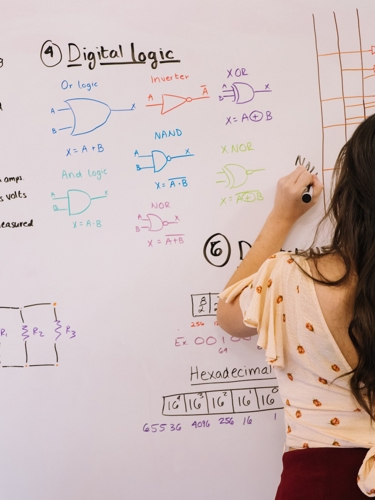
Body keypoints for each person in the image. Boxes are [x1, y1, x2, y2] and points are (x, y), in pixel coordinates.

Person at [217, 114, 375, 499]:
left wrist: (282, 216)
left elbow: (229, 314)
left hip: (318, 485)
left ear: (349, 192)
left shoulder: (292, 278)